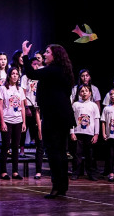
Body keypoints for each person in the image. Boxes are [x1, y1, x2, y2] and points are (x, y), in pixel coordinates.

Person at [21, 40, 75, 199]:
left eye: (47, 52)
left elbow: (31, 74)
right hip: (60, 115)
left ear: (55, 55)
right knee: (60, 152)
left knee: (54, 152)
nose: (44, 54)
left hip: (55, 116)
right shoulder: (63, 71)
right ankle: (61, 186)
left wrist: (25, 55)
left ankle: (57, 187)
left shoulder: (54, 70)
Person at [0, 67, 27, 180]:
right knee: (5, 146)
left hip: (18, 121)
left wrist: (24, 122)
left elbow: (23, 107)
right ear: (9, 76)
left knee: (16, 146)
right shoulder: (3, 88)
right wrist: (2, 122)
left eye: (16, 74)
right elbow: (0, 107)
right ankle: (3, 172)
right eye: (13, 74)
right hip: (7, 120)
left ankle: (15, 171)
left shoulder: (20, 89)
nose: (15, 76)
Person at [20, 57, 44, 178]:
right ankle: (22, 149)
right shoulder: (25, 77)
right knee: (25, 129)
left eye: (37, 64)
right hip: (29, 106)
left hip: (40, 107)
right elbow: (23, 93)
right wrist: (26, 107)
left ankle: (39, 171)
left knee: (40, 138)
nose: (35, 66)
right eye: (33, 64)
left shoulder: (41, 76)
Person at [70, 85, 100, 181]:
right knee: (77, 155)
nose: (84, 93)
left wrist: (96, 134)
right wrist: (72, 132)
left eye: (86, 91)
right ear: (79, 93)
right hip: (78, 133)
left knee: (90, 155)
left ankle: (91, 173)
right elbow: (72, 120)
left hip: (89, 133)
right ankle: (76, 173)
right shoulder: (75, 104)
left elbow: (96, 120)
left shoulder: (94, 105)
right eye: (82, 91)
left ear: (90, 93)